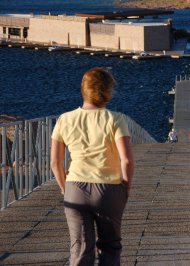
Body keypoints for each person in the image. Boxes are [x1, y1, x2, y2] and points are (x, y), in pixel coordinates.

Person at [51, 67, 134, 266]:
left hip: (75, 188)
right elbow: (127, 160)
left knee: (80, 248)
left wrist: (65, 187)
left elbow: (55, 162)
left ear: (84, 90)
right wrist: (125, 187)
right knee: (110, 246)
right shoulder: (115, 119)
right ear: (107, 91)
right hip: (108, 190)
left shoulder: (64, 119)